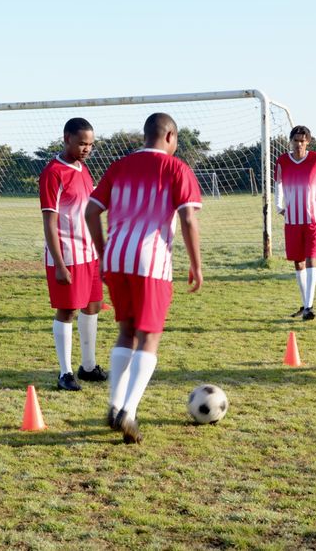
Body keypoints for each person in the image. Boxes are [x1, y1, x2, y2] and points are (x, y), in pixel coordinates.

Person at [84, 112, 203, 444]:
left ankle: (114, 403)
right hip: (151, 261)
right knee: (149, 337)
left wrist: (105, 250)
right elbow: (189, 220)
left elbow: (91, 211)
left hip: (117, 258)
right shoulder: (176, 168)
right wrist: (196, 264)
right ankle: (129, 411)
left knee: (126, 332)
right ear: (169, 137)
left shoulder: (119, 166)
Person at [38, 117, 108, 391]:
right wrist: (58, 263)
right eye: (81, 143)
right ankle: (65, 373)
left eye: (90, 144)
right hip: (66, 255)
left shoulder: (83, 169)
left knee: (92, 307)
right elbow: (49, 220)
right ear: (66, 138)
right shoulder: (53, 172)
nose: (86, 148)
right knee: (66, 311)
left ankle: (88, 367)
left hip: (88, 254)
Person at [274, 125, 316, 321]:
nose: (299, 144)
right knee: (298, 263)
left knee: (311, 260)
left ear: (308, 141)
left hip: (313, 221)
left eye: (303, 140)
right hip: (292, 221)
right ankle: (305, 304)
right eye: (296, 140)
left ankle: (309, 307)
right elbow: (278, 184)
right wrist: (278, 206)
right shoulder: (283, 161)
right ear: (290, 141)